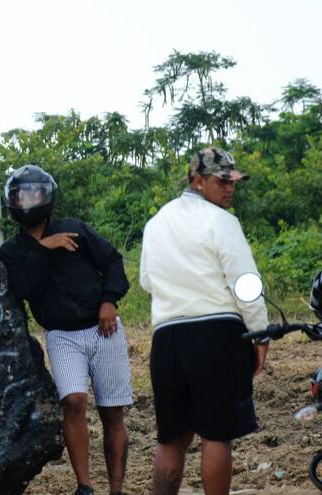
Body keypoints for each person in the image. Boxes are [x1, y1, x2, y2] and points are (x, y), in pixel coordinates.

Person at [140, 147, 269, 495]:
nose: (230, 189)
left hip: (166, 339)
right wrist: (260, 333)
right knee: (216, 434)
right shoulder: (222, 222)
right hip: (216, 335)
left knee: (172, 439)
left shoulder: (156, 224)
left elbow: (147, 282)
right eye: (222, 182)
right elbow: (244, 284)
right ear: (197, 181)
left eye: (233, 183)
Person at [0, 165, 132, 495]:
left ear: (47, 196)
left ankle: (116, 488)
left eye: (34, 193)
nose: (27, 200)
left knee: (112, 412)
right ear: (11, 202)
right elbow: (24, 289)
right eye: (20, 195)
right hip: (61, 336)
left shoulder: (74, 228)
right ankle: (84, 486)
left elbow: (112, 262)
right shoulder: (11, 252)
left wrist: (109, 301)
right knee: (72, 401)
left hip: (105, 328)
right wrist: (45, 248)